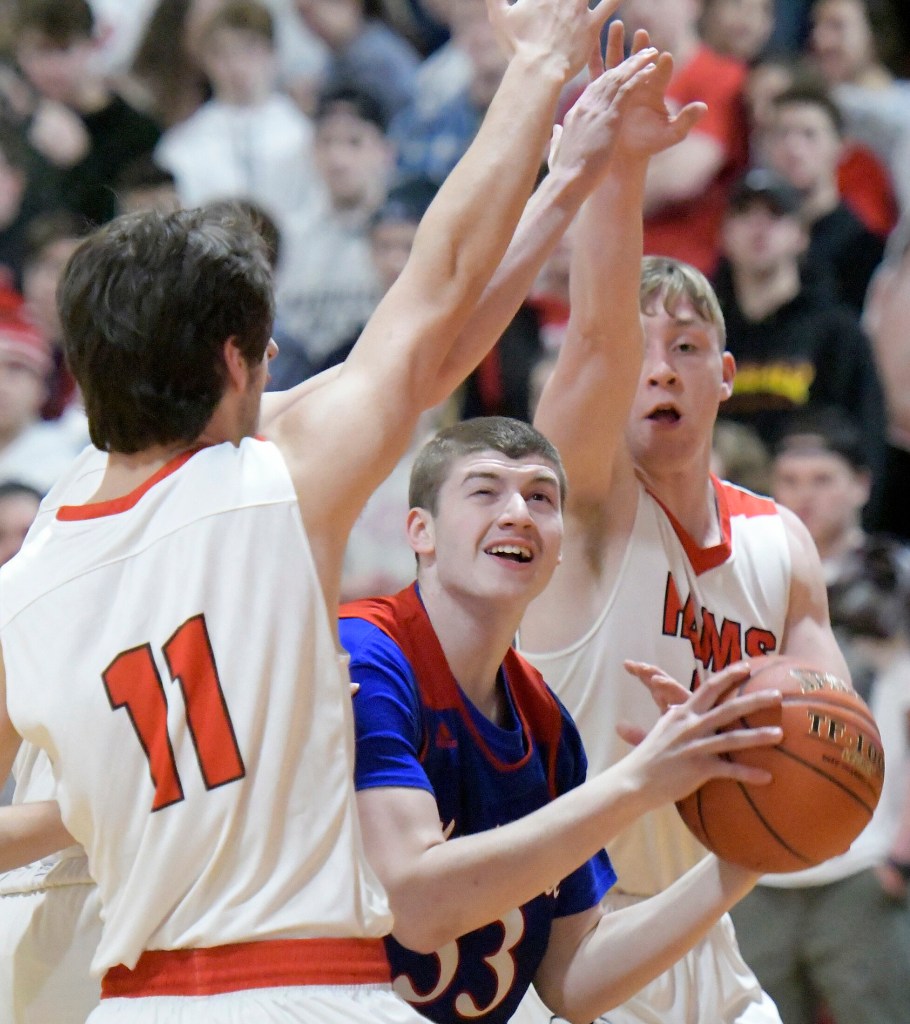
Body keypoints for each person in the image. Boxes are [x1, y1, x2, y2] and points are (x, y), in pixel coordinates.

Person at [0, 1, 623, 1020]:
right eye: (266, 343)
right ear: (232, 361)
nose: (283, 359)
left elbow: (425, 348)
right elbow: (429, 303)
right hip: (302, 988)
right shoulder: (268, 487)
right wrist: (535, 67)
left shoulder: (28, 574)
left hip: (130, 1001)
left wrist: (82, 803)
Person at [342, 416, 784, 1024]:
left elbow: (575, 981)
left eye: (541, 496)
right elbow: (416, 907)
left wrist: (749, 854)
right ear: (422, 531)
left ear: (556, 547)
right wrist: (638, 783)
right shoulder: (367, 655)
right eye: (484, 490)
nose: (518, 512)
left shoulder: (544, 720)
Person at [517, 238, 849, 1022]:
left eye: (688, 347)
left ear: (727, 374)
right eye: (639, 348)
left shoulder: (782, 543)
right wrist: (613, 162)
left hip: (702, 921)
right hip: (566, 929)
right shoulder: (581, 504)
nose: (661, 368)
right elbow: (592, 343)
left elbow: (836, 746)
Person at [729, 411, 910, 1024]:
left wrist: (903, 851)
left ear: (862, 483)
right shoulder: (739, 578)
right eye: (791, 478)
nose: (806, 494)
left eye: (823, 478)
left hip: (865, 860)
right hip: (752, 861)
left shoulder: (896, 579)